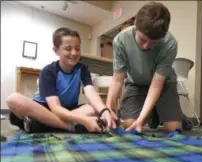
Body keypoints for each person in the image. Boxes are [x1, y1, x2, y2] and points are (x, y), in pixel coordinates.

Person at [7, 27, 116, 133]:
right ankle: (69, 127)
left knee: (94, 108)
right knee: (13, 99)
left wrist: (104, 110)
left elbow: (90, 91)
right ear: (56, 50)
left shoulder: (82, 68)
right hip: (46, 109)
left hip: (69, 110)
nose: (74, 53)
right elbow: (55, 108)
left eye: (77, 48)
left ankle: (43, 124)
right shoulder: (48, 71)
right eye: (68, 49)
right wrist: (84, 120)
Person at [106, 2, 184, 133]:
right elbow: (117, 80)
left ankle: (175, 116)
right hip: (136, 83)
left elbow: (156, 85)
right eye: (142, 40)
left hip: (164, 84)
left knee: (173, 128)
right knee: (130, 125)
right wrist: (108, 108)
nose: (146, 47)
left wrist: (141, 119)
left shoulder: (170, 43)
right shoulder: (120, 41)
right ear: (135, 25)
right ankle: (153, 112)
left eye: (153, 42)